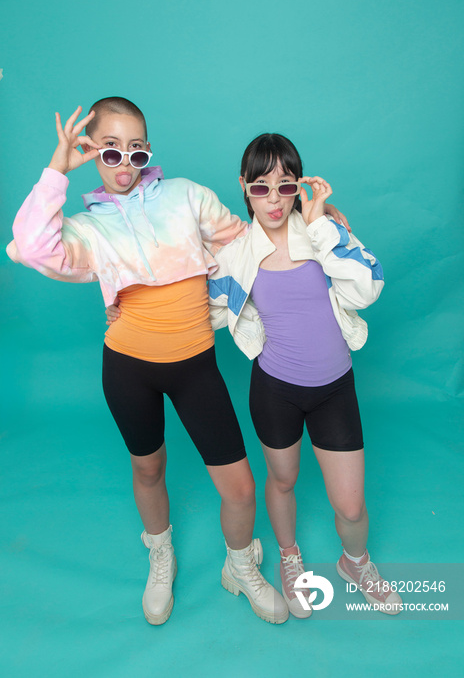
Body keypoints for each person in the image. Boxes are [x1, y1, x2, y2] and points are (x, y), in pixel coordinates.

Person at [7, 100, 298, 625]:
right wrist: (57, 170)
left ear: (148, 151)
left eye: (135, 150)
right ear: (93, 152)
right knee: (149, 466)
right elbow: (29, 245)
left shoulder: (188, 196)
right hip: (127, 367)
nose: (124, 163)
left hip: (196, 366)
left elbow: (251, 242)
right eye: (110, 151)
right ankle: (160, 555)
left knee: (240, 487)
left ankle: (239, 565)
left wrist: (313, 223)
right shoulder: (88, 228)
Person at [207, 133, 402, 617]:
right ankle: (290, 559)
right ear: (244, 187)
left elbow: (367, 288)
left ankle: (355, 562)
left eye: (285, 185)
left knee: (352, 508)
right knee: (284, 480)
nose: (274, 199)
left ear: (299, 186)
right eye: (261, 187)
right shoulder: (235, 253)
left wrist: (322, 227)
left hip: (335, 389)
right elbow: (199, 310)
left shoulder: (324, 231)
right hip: (276, 390)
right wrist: (126, 305)